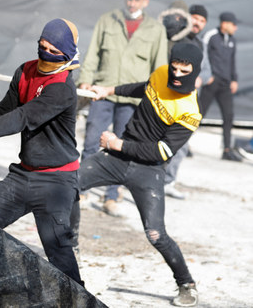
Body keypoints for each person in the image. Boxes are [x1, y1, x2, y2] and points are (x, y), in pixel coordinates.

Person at [72, 41, 203, 307]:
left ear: (195, 70)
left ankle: (186, 284)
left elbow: (161, 152)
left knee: (156, 234)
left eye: (183, 71)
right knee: (68, 184)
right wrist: (107, 90)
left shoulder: (190, 111)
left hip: (148, 171)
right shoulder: (161, 73)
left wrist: (115, 143)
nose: (176, 75)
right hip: (117, 159)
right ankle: (70, 247)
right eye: (174, 69)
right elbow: (142, 88)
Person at [0, 19, 83, 285]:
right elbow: (7, 108)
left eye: (52, 50)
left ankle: (79, 301)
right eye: (42, 46)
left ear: (67, 54)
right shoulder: (25, 71)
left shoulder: (63, 88)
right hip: (23, 175)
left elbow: (24, 117)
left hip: (56, 181)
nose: (45, 53)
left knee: (59, 253)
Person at [77, 0, 168, 216]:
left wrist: (155, 100)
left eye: (137, 0)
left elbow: (159, 67)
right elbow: (93, 53)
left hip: (132, 98)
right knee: (91, 140)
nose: (132, 4)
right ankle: (80, 189)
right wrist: (86, 80)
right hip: (103, 91)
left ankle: (111, 196)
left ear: (145, 2)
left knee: (121, 146)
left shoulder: (156, 29)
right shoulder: (108, 20)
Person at [163, 4, 209, 199]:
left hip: (188, 102)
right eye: (195, 18)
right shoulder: (172, 39)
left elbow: (207, 70)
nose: (197, 23)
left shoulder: (201, 45)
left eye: (202, 20)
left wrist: (200, 78)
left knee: (181, 143)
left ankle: (168, 182)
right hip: (166, 98)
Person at [199, 12, 241, 161]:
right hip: (211, 81)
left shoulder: (233, 41)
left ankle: (227, 150)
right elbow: (202, 55)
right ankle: (183, 144)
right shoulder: (210, 35)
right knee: (198, 114)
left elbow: (232, 61)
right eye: (233, 24)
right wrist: (206, 75)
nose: (235, 28)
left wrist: (234, 79)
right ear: (224, 23)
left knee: (228, 116)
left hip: (225, 84)